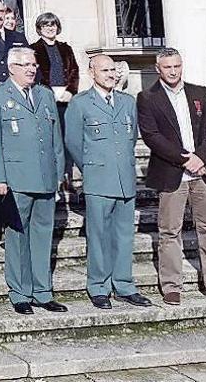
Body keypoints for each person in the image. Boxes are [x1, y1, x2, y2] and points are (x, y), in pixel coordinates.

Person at [0, 47, 68, 316]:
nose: (32, 69)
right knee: (18, 238)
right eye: (25, 65)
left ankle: (42, 292)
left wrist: (59, 173)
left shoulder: (44, 94)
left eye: (33, 64)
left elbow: (55, 138)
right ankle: (19, 293)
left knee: (43, 237)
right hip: (15, 178)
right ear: (11, 67)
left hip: (44, 177)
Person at [65, 54, 152, 309]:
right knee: (99, 234)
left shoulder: (127, 102)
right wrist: (91, 168)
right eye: (105, 70)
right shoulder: (81, 104)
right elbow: (73, 142)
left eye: (113, 70)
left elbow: (130, 136)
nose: (111, 75)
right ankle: (99, 286)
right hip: (98, 178)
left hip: (124, 177)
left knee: (124, 235)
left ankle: (124, 285)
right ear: (92, 73)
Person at [137, 48, 206, 305]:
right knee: (170, 231)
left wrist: (201, 157)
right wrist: (185, 158)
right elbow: (152, 136)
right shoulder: (147, 97)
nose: (173, 71)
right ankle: (171, 286)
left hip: (203, 172)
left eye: (177, 66)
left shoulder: (199, 93)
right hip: (172, 173)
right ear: (158, 69)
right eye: (167, 67)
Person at [30, 12, 80, 105]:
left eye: (53, 25)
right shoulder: (33, 49)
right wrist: (48, 92)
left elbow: (74, 70)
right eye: (45, 25)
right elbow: (34, 74)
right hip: (43, 95)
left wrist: (70, 91)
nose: (50, 28)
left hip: (66, 95)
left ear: (57, 27)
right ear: (40, 28)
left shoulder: (66, 48)